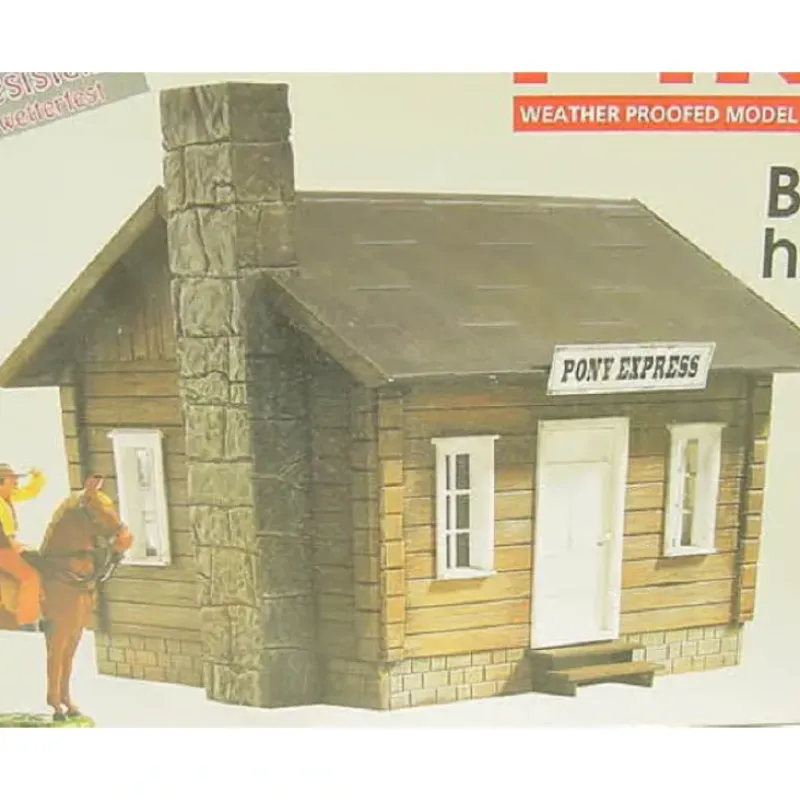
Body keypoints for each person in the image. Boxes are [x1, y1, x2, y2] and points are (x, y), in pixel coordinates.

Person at [0, 463, 46, 631]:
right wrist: (14, 546)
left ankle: (41, 610)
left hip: (8, 544)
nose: (16, 483)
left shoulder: (8, 496)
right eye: (12, 480)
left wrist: (37, 475)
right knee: (30, 577)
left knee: (39, 561)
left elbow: (30, 491)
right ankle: (27, 621)